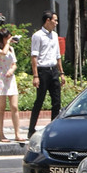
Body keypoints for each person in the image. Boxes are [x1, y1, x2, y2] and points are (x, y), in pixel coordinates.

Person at [28, 10, 65, 139]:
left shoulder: (54, 35)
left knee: (57, 102)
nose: (56, 23)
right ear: (47, 21)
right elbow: (34, 56)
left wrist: (61, 72)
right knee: (40, 100)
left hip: (53, 69)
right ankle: (31, 129)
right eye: (54, 20)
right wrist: (35, 75)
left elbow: (58, 55)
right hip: (42, 71)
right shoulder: (37, 36)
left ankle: (53, 130)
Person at [0, 28, 24, 142]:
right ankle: (1, 134)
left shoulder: (11, 49)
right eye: (7, 37)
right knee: (1, 108)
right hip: (1, 79)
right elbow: (3, 53)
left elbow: (14, 63)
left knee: (14, 107)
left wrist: (11, 70)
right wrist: (8, 43)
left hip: (10, 79)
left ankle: (17, 133)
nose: (9, 39)